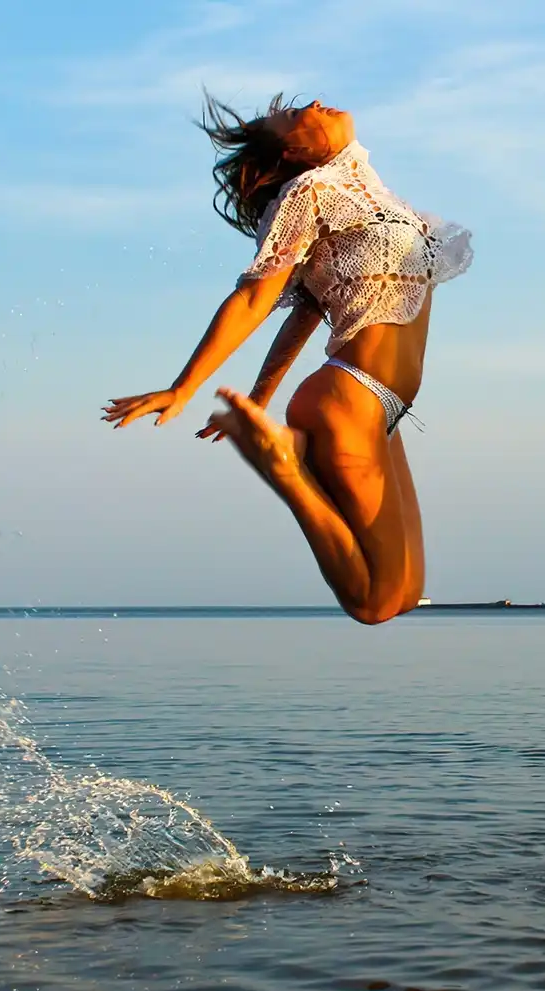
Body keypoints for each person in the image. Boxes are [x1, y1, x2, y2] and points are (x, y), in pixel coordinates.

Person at [103, 96, 472, 625]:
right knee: (373, 603)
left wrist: (259, 400)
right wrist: (183, 389)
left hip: (383, 412)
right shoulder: (310, 192)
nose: (318, 103)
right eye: (298, 112)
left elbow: (303, 314)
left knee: (406, 594)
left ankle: (284, 454)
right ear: (295, 152)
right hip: (351, 399)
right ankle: (285, 468)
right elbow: (254, 298)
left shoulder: (377, 200)